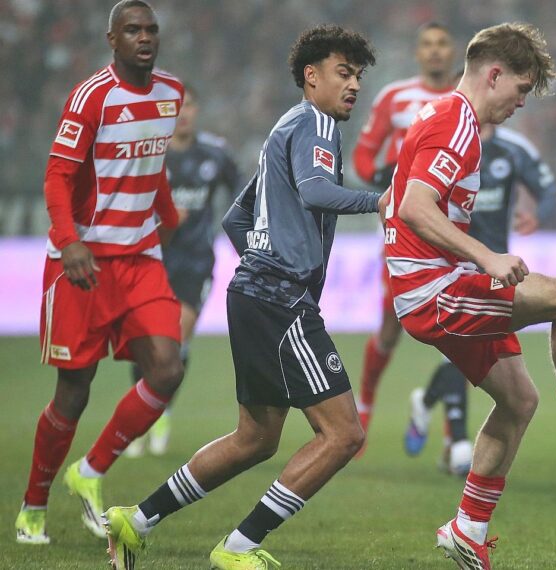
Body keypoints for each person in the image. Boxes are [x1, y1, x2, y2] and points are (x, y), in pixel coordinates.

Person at [102, 25, 381, 569]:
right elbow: (317, 191)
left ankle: (133, 521)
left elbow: (236, 217)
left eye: (358, 77)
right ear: (312, 75)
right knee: (343, 434)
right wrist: (382, 201)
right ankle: (239, 548)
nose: (353, 86)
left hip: (254, 293)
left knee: (255, 437)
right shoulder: (316, 123)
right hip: (280, 300)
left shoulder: (286, 128)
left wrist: (261, 257)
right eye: (344, 73)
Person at [384, 22, 556, 569]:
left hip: (429, 283)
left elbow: (398, 193)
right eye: (521, 90)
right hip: (436, 289)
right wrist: (487, 256)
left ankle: (467, 529)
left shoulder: (444, 118)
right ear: (494, 74)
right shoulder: (457, 123)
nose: (522, 102)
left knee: (520, 400)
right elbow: (415, 206)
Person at [15, 0, 186, 545]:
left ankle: (88, 473)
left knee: (167, 369)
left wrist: (167, 212)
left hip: (139, 257)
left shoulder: (171, 94)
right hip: (83, 262)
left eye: (151, 29)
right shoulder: (91, 97)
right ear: (111, 40)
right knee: (74, 391)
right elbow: (56, 177)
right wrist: (69, 243)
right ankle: (32, 508)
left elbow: (150, 162)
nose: (144, 37)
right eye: (132, 30)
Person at [403, 121, 556, 477]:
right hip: (452, 264)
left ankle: (426, 404)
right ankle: (458, 443)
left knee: (465, 353)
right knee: (460, 347)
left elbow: (548, 189)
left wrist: (537, 214)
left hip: (497, 266)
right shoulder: (447, 140)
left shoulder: (514, 147)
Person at [352, 22, 458, 453]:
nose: (434, 52)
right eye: (427, 44)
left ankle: (457, 429)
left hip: (456, 230)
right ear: (418, 53)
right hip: (405, 231)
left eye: (442, 44)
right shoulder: (395, 97)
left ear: (454, 52)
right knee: (391, 324)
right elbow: (362, 154)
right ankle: (365, 407)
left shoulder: (467, 101)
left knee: (461, 331)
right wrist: (383, 178)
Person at [123, 85, 241, 458]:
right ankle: (142, 417)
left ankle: (162, 412)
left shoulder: (215, 153)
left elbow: (243, 192)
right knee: (146, 345)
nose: (183, 113)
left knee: (174, 341)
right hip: (151, 260)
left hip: (195, 261)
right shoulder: (151, 155)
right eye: (175, 107)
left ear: (196, 109)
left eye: (188, 105)